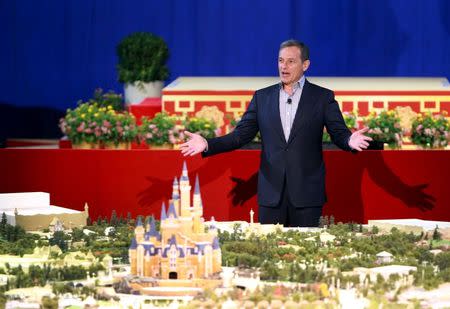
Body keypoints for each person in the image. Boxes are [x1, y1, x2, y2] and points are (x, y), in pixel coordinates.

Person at [180, 39, 372, 227]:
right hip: (271, 195)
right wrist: (208, 144)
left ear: (305, 65)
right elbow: (240, 136)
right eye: (281, 61)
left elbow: (338, 133)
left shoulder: (322, 97)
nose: (284, 67)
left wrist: (349, 140)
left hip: (307, 194)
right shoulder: (262, 97)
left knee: (306, 253)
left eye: (291, 61)